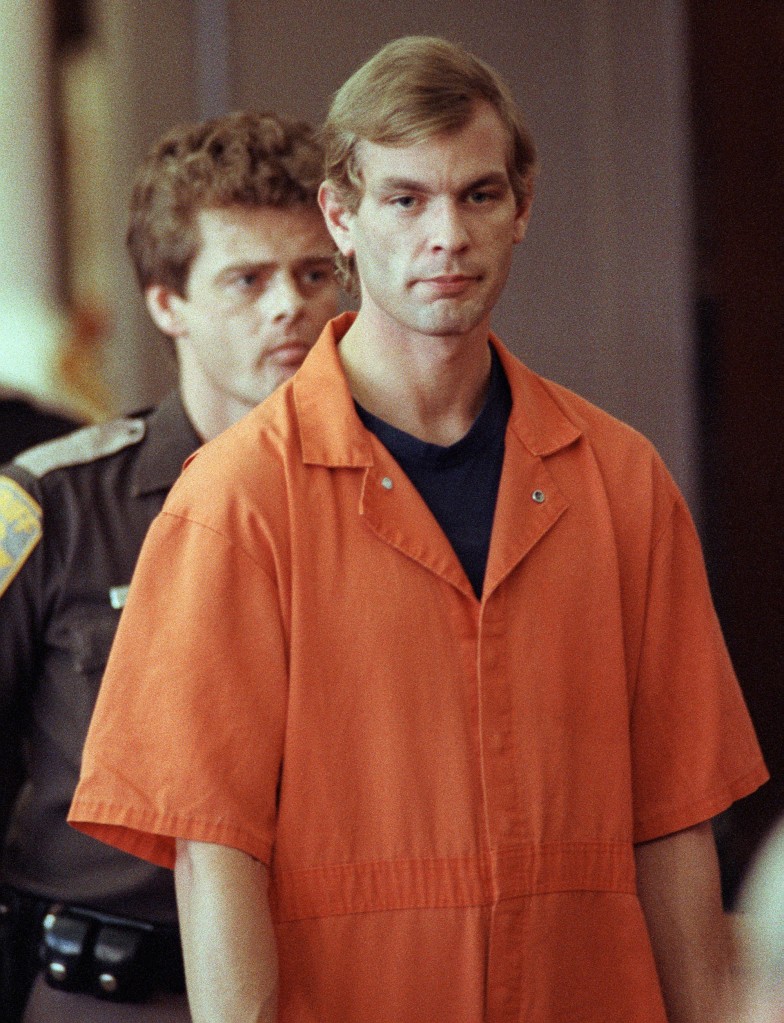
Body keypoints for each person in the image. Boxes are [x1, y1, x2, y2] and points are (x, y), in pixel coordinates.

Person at [69, 37, 767, 1023]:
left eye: (477, 195)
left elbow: (675, 826)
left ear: (522, 208)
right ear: (341, 218)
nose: (447, 234)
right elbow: (211, 855)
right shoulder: (235, 499)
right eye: (405, 200)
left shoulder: (619, 482)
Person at [0, 110, 338, 1023]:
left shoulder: (385, 500)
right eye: (247, 279)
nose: (289, 307)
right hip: (115, 988)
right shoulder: (54, 504)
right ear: (166, 302)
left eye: (315, 274)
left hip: (335, 977)